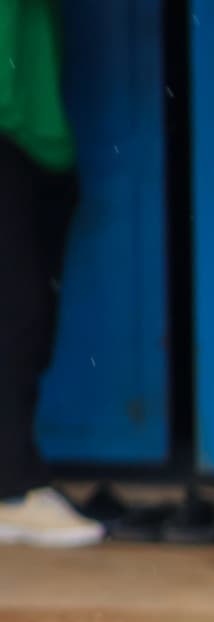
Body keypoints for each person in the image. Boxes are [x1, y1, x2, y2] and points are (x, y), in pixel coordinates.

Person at [0, 0, 101, 549]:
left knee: (24, 309)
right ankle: (11, 490)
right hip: (12, 127)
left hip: (27, 127)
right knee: (17, 311)